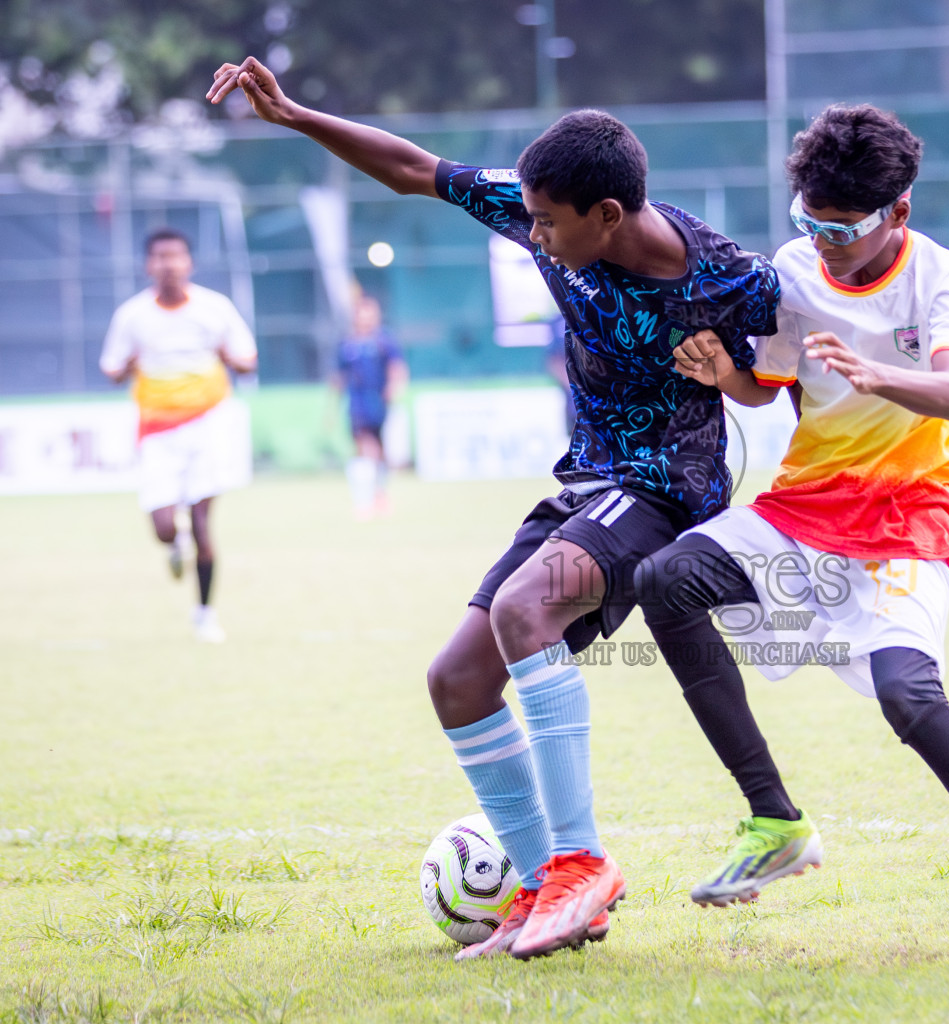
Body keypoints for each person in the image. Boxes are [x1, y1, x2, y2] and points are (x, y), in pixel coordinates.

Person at [207, 58, 779, 959]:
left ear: (609, 216)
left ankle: (579, 864)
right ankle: (544, 890)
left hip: (669, 489)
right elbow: (411, 167)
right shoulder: (544, 205)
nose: (535, 235)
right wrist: (295, 118)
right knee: (459, 680)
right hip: (589, 486)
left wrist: (740, 379)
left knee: (525, 609)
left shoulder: (722, 278)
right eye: (532, 218)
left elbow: (777, 375)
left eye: (549, 224)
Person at [634, 104, 949, 969]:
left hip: (906, 518)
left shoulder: (941, 279)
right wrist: (725, 373)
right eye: (806, 222)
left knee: (910, 698)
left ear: (900, 211)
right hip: (805, 508)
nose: (822, 242)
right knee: (665, 580)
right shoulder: (793, 270)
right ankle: (775, 820)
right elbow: (769, 387)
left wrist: (880, 372)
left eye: (841, 229)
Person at [99, 227, 258, 644]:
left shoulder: (214, 308)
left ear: (189, 262)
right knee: (164, 527)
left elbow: (246, 359)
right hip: (157, 431)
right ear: (147, 265)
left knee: (205, 523)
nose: (168, 264)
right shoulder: (133, 316)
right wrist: (125, 367)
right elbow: (111, 368)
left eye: (176, 256)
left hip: (208, 425)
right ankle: (175, 542)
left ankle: (204, 613)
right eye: (160, 257)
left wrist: (231, 359)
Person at [333, 294, 406, 519]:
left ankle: (379, 495)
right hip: (357, 403)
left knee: (378, 450)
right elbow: (338, 376)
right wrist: (331, 406)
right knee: (365, 446)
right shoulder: (348, 344)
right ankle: (367, 500)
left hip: (379, 402)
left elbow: (397, 366)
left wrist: (394, 387)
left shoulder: (384, 341)